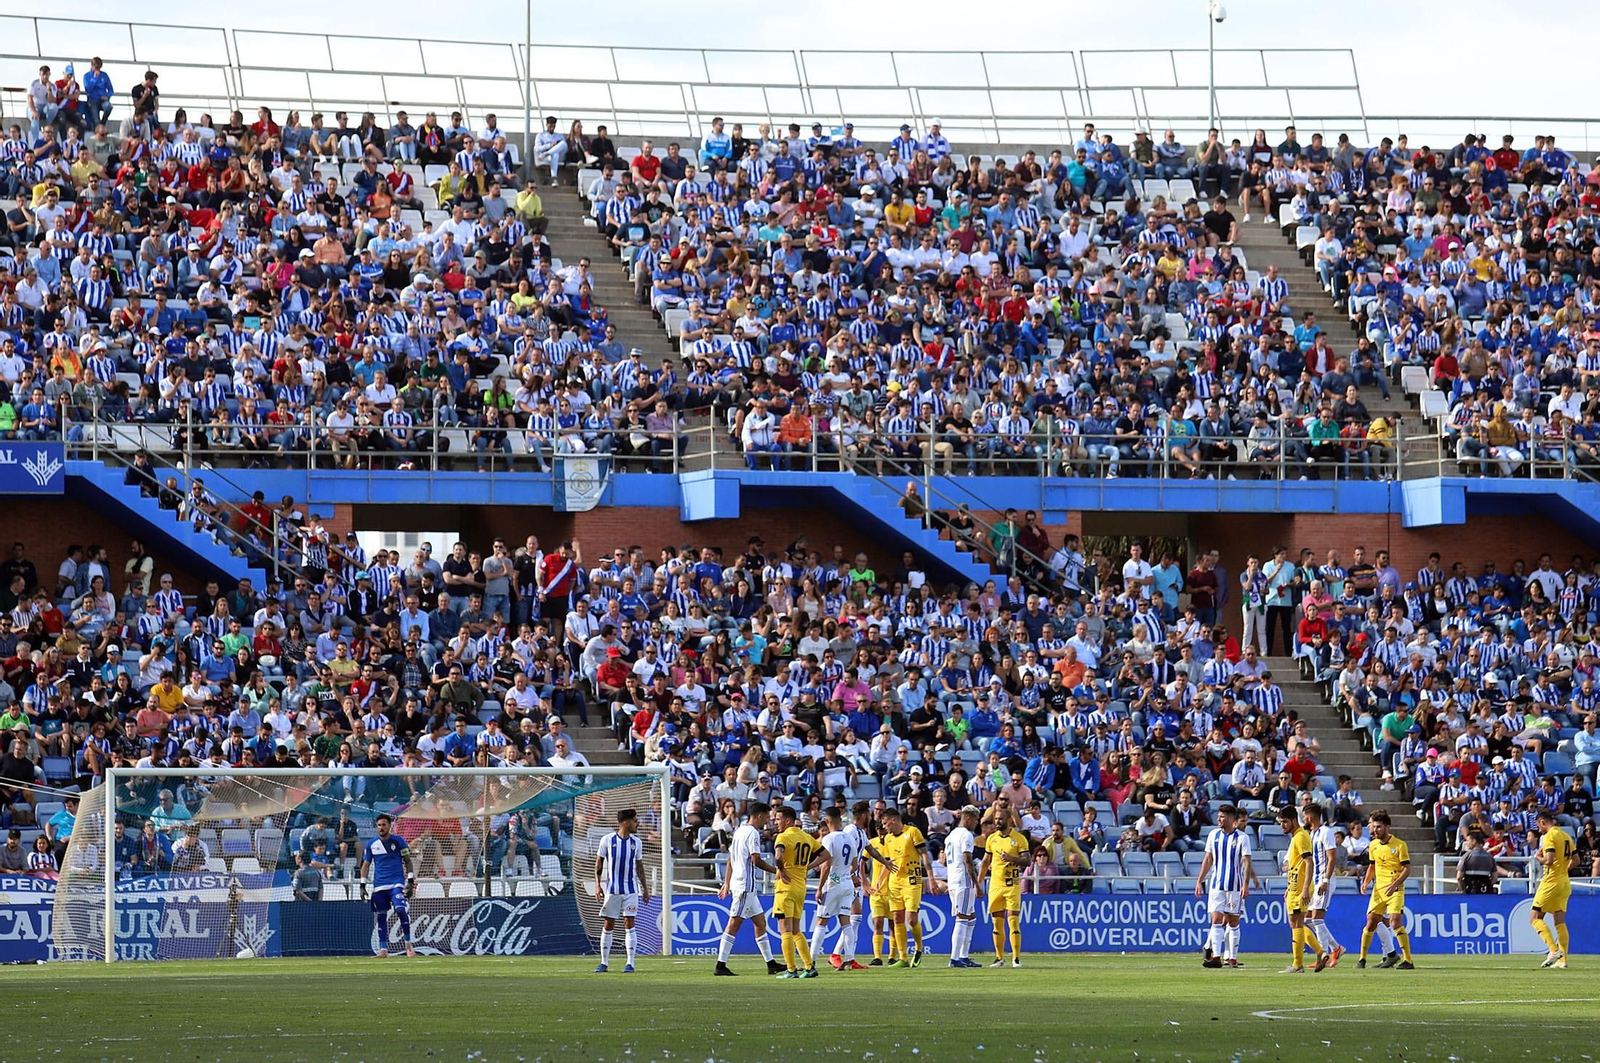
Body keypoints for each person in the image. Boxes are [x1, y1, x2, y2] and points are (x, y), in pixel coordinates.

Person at [713, 800, 784, 976]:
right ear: (759, 816)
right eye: (767, 817)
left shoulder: (739, 831)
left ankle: (771, 963)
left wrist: (727, 882)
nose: (768, 820)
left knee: (760, 923)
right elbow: (756, 860)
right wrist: (777, 871)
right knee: (733, 923)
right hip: (745, 885)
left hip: (744, 887)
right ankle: (720, 965)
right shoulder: (752, 833)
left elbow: (730, 858)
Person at [1195, 803, 1253, 969]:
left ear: (1231, 819)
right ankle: (1216, 957)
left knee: (1233, 921)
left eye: (1222, 817)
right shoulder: (1213, 835)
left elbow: (1246, 861)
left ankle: (1232, 958)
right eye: (1218, 816)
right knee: (1216, 919)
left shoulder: (1242, 838)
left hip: (1235, 885)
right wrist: (1200, 880)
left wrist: (1246, 884)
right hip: (1216, 885)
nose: (1219, 819)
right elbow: (1208, 859)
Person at [593, 807, 650, 974]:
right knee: (608, 923)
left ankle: (630, 963)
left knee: (629, 923)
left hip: (631, 890)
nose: (637, 823)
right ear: (626, 822)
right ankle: (604, 963)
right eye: (635, 820)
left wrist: (645, 888)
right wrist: (598, 885)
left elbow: (639, 867)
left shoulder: (636, 843)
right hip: (612, 890)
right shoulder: (607, 840)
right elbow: (599, 863)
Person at [771, 804, 824, 978]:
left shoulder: (783, 837)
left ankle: (791, 969)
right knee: (795, 930)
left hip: (785, 888)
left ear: (787, 821)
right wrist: (809, 866)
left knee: (784, 930)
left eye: (778, 819)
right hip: (800, 886)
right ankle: (809, 967)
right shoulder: (806, 837)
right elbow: (826, 855)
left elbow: (778, 856)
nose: (776, 822)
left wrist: (782, 869)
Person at [1356, 810, 1413, 969]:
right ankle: (1362, 960)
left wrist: (1395, 884)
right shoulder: (1373, 845)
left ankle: (1408, 960)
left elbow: (1407, 869)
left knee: (1395, 923)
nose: (1375, 830)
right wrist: (1366, 882)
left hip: (1395, 890)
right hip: (1378, 891)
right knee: (1370, 922)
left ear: (1387, 827)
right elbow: (1372, 867)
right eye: (1374, 827)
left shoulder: (1400, 845)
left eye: (1379, 827)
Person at [881, 803, 934, 967]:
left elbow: (924, 855)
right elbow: (888, 862)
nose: (883, 827)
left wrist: (930, 878)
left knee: (911, 920)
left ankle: (918, 947)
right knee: (897, 918)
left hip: (912, 881)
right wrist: (880, 880)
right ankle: (903, 958)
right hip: (895, 882)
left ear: (894, 820)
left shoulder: (912, 832)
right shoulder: (888, 839)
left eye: (885, 823)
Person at [978, 802, 1029, 968]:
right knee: (996, 923)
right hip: (995, 885)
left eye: (1000, 819)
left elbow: (1027, 860)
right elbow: (986, 862)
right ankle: (999, 958)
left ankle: (1016, 958)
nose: (997, 821)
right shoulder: (991, 839)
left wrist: (1012, 858)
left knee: (1013, 922)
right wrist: (978, 883)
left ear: (1009, 820)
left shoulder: (1019, 839)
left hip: (1012, 885)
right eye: (996, 819)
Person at [360, 812, 417, 959]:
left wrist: (410, 882)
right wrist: (362, 885)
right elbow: (366, 865)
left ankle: (408, 944)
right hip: (379, 886)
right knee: (381, 917)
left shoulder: (398, 841)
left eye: (384, 825)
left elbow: (408, 861)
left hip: (396, 883)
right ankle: (383, 950)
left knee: (400, 910)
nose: (381, 828)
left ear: (389, 826)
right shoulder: (371, 844)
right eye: (379, 825)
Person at [1277, 807, 1327, 973]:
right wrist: (1289, 887)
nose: (1282, 826)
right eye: (1280, 823)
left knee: (1297, 923)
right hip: (1294, 886)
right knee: (1295, 923)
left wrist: (1305, 888)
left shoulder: (1300, 837)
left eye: (1284, 822)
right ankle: (1320, 952)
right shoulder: (1296, 837)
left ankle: (1298, 964)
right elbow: (1296, 864)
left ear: (1293, 820)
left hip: (1300, 887)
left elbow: (1309, 862)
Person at [811, 807, 859, 971]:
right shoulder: (850, 838)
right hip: (847, 884)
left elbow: (826, 865)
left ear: (827, 821)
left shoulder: (829, 839)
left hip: (832, 883)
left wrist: (819, 888)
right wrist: (845, 874)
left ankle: (811, 961)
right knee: (845, 921)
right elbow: (855, 865)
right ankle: (849, 959)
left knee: (821, 921)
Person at [1530, 809, 1574, 969]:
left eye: (1538, 826)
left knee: (1534, 918)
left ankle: (1553, 950)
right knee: (1559, 922)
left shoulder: (1548, 836)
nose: (1539, 830)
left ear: (1543, 822)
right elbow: (1576, 860)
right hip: (1564, 883)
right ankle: (1563, 961)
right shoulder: (1566, 836)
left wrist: (1538, 858)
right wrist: (1562, 870)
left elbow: (1548, 860)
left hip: (1550, 882)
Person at [1305, 803, 1345, 965]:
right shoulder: (1311, 834)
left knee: (1317, 918)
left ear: (1311, 816)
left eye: (1304, 815)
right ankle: (1336, 948)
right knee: (1307, 919)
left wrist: (1326, 880)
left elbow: (1331, 858)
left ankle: (1323, 955)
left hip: (1323, 881)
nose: (1303, 819)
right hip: (1314, 882)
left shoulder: (1326, 832)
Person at [944, 803, 982, 968]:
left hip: (953, 878)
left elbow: (946, 860)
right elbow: (967, 860)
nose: (976, 823)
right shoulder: (966, 835)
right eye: (975, 819)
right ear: (967, 817)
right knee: (962, 917)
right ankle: (954, 958)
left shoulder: (951, 835)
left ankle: (964, 955)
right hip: (963, 881)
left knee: (970, 916)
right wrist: (977, 884)